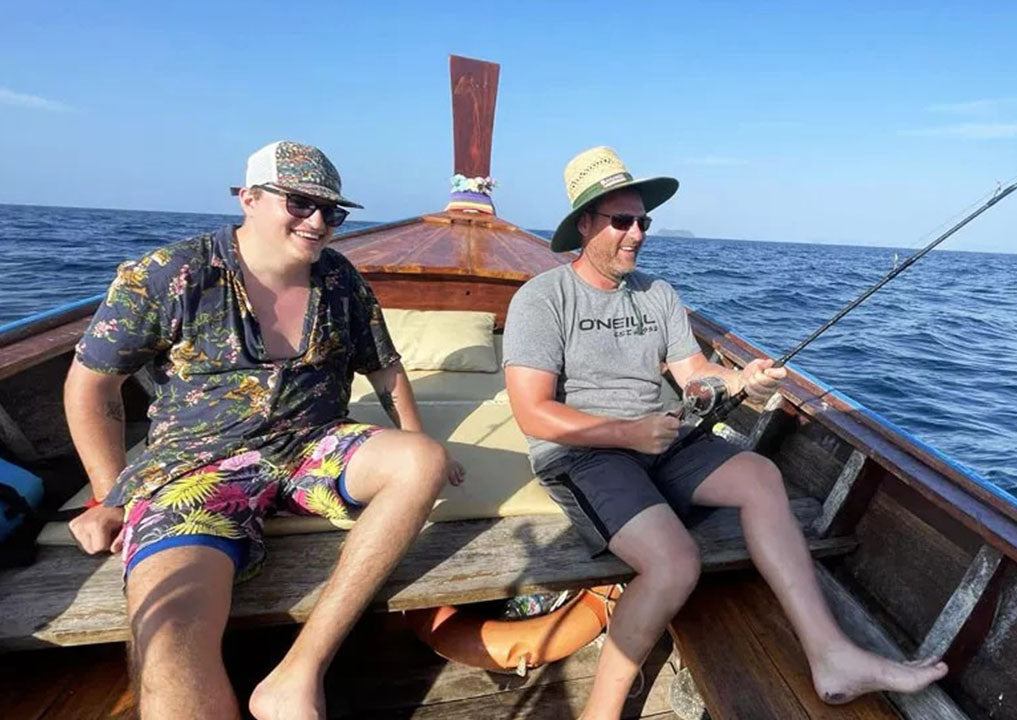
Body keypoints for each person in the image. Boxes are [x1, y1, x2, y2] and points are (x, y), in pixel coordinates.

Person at [503, 147, 948, 719]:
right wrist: (626, 433)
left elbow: (693, 374)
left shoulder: (658, 294)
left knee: (761, 475)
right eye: (622, 221)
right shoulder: (542, 298)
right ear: (584, 224)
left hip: (662, 439)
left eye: (644, 222)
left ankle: (832, 656)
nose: (636, 234)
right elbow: (533, 413)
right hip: (586, 453)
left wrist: (742, 380)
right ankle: (602, 711)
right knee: (675, 563)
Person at [64, 141, 462, 720]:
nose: (318, 221)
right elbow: (91, 386)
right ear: (249, 198)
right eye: (300, 203)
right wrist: (108, 495)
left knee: (421, 461)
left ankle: (299, 671)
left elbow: (384, 368)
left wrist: (421, 436)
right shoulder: (172, 273)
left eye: (332, 210)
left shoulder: (339, 278)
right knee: (171, 633)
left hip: (311, 446)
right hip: (196, 470)